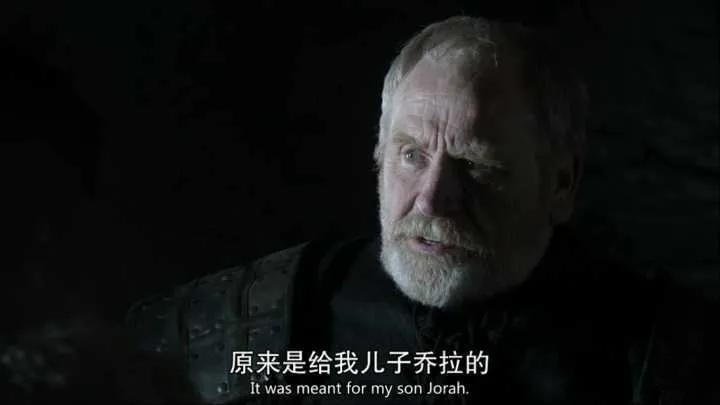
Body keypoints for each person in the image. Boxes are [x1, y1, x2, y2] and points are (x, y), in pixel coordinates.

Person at [126, 16, 713, 405]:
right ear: (379, 154)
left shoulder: (666, 357)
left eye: (476, 165)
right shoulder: (251, 320)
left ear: (561, 183)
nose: (432, 199)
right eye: (412, 155)